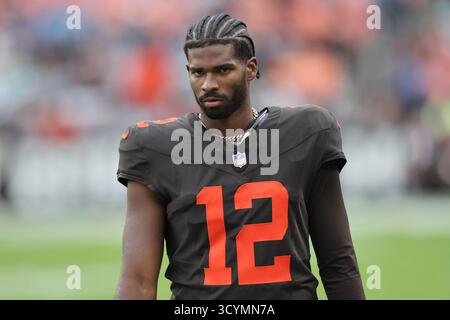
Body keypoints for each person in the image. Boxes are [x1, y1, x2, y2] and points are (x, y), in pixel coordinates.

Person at [115, 13, 365, 300]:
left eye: (222, 70)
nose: (208, 83)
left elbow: (338, 262)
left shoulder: (306, 133)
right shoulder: (154, 148)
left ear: (250, 68)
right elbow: (138, 280)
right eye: (198, 72)